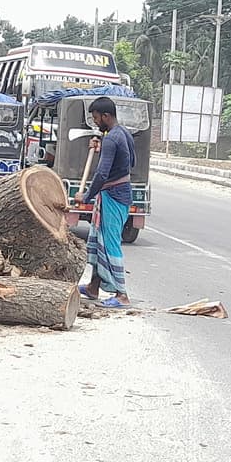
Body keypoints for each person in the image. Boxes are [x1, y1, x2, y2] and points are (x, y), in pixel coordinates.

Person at [77, 97, 135, 309]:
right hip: (120, 193)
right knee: (98, 243)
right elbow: (131, 162)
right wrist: (102, 144)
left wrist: (87, 196)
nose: (95, 123)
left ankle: (122, 295)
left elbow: (102, 173)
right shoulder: (123, 134)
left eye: (96, 119)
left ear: (106, 116)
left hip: (113, 197)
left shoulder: (112, 139)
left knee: (110, 245)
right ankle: (93, 287)